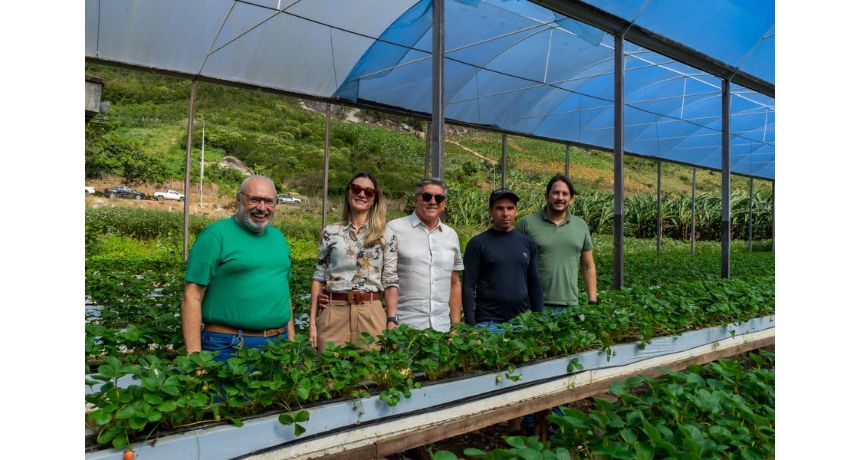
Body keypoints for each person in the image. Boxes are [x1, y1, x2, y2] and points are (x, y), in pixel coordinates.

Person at [181, 175, 294, 362]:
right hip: (229, 345)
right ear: (239, 199)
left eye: (269, 201)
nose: (262, 207)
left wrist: (291, 342)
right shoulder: (215, 235)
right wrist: (195, 359)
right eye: (255, 199)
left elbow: (284, 294)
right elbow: (192, 297)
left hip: (278, 345)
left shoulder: (278, 238)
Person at [309, 172, 399, 351]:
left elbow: (390, 280)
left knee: (369, 375)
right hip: (334, 311)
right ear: (348, 192)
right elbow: (319, 276)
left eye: (368, 192)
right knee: (330, 373)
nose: (362, 194)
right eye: (356, 189)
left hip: (371, 312)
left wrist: (391, 319)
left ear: (374, 199)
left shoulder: (386, 235)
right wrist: (312, 321)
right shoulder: (331, 232)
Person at [386, 178, 464, 332]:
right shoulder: (394, 229)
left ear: (444, 203)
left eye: (439, 198)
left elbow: (454, 283)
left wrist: (455, 326)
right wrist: (391, 319)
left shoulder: (451, 235)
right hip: (404, 327)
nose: (433, 201)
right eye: (427, 196)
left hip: (441, 328)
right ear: (416, 199)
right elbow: (386, 277)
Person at [462, 188, 543, 331]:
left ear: (515, 211)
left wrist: (539, 320)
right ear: (491, 211)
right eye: (499, 208)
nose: (505, 213)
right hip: (487, 323)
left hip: (521, 322)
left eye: (510, 208)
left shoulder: (527, 243)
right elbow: (468, 285)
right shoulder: (478, 243)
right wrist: (470, 325)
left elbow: (534, 283)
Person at [515, 174, 597, 312]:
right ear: (546, 196)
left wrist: (592, 301)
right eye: (555, 193)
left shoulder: (580, 225)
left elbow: (588, 266)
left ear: (571, 200)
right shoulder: (527, 223)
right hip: (533, 304)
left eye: (565, 194)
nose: (560, 198)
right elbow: (515, 264)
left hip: (570, 304)